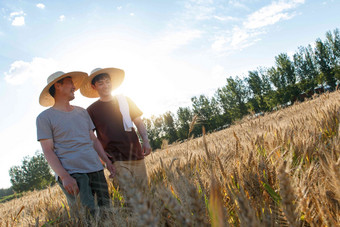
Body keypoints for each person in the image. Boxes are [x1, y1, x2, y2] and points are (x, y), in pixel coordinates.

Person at [36, 71, 115, 217]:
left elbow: (94, 140)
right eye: (70, 83)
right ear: (58, 85)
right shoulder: (44, 118)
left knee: (107, 214)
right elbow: (48, 150)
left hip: (96, 169)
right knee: (87, 218)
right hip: (74, 175)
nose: (74, 87)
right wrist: (64, 176)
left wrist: (107, 161)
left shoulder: (82, 112)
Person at [80, 67, 152, 189]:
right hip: (115, 158)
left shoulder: (125, 101)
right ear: (94, 87)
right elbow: (92, 138)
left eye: (107, 82)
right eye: (101, 83)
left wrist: (145, 141)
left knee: (144, 191)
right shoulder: (91, 110)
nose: (106, 85)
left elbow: (138, 122)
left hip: (136, 153)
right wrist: (104, 159)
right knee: (129, 195)